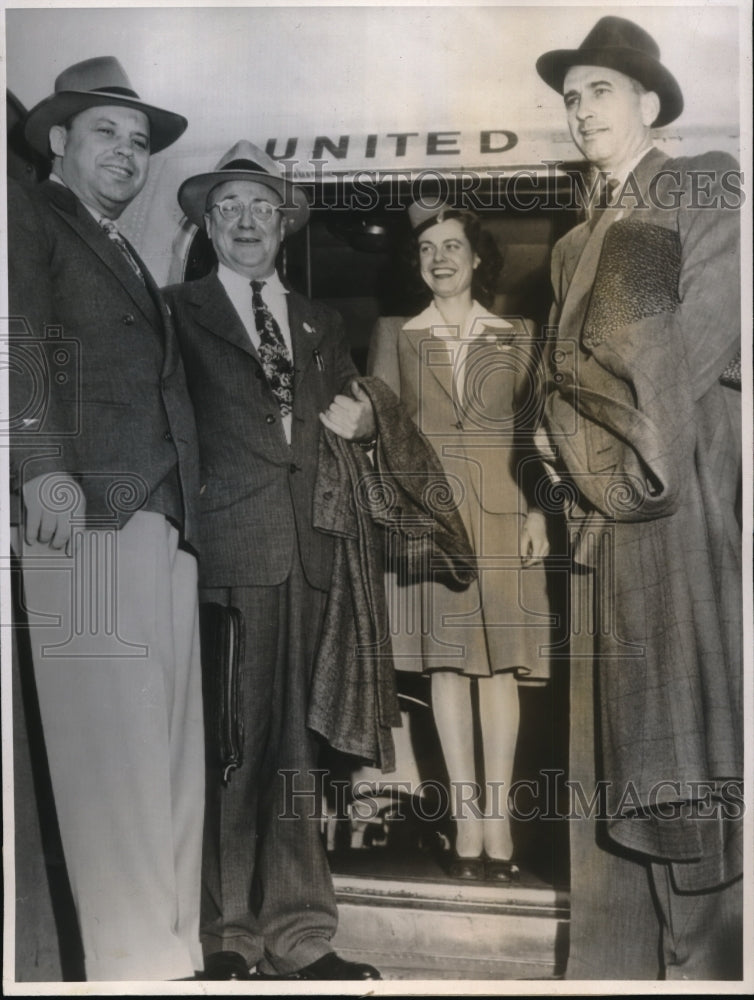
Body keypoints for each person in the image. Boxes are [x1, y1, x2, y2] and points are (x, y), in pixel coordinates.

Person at [535, 16, 742, 979]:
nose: (580, 110)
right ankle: (616, 974)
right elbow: (554, 385)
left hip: (676, 512)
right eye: (571, 98)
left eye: (600, 92)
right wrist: (560, 448)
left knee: (684, 757)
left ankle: (710, 972)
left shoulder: (699, 183)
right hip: (601, 525)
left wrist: (591, 454)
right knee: (610, 767)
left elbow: (692, 356)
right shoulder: (577, 240)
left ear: (650, 103)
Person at [163, 141, 382, 982]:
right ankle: (226, 938)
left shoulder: (321, 321)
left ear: (284, 226)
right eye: (230, 209)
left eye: (262, 207)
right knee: (232, 748)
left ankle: (302, 937)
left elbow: (352, 412)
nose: (247, 222)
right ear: (208, 227)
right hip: (226, 551)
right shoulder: (176, 310)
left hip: (312, 552)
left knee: (299, 753)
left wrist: (362, 425)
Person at [7, 57, 205, 980]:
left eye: (138, 141)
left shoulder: (119, 244)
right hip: (82, 515)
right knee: (111, 767)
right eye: (105, 134)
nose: (127, 152)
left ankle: (175, 954)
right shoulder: (28, 214)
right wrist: (43, 469)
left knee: (165, 756)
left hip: (156, 518)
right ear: (58, 142)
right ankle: (135, 966)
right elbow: (21, 342)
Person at [368, 202, 552, 881]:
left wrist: (538, 514)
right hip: (430, 517)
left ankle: (499, 820)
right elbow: (383, 436)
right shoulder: (394, 332)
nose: (439, 257)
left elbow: (535, 439)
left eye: (452, 246)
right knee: (446, 667)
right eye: (426, 250)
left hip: (503, 511)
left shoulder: (520, 333)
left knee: (500, 668)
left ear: (478, 260)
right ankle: (466, 817)